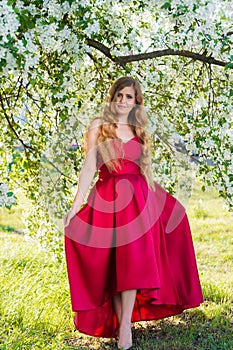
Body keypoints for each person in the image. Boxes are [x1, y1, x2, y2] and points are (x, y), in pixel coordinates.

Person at [64, 76, 203, 349]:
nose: (123, 101)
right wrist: (74, 206)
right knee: (114, 264)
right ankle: (122, 325)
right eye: (119, 95)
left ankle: (124, 327)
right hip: (108, 198)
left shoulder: (139, 128)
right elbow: (88, 169)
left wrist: (159, 204)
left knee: (132, 261)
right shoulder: (98, 126)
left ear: (136, 102)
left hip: (139, 201)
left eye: (129, 97)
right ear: (112, 97)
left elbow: (145, 170)